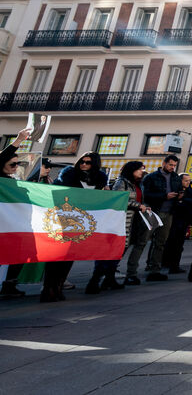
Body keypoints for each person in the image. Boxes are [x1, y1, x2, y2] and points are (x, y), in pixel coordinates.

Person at [47, 152, 108, 302]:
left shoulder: (100, 178)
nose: (84, 165)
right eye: (82, 161)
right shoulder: (69, 173)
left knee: (69, 255)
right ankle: (49, 289)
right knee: (56, 256)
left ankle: (59, 286)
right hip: (61, 218)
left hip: (81, 221)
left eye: (88, 163)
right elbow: (59, 191)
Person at [86, 161, 148, 294]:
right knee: (108, 253)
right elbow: (118, 199)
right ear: (131, 170)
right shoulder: (122, 182)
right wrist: (138, 206)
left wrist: (142, 206)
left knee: (118, 253)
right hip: (119, 223)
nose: (141, 172)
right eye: (139, 169)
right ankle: (94, 282)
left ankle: (109, 279)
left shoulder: (137, 184)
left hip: (130, 223)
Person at [0, 127, 32, 298]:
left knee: (15, 256)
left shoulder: (15, 181)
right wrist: (18, 141)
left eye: (17, 164)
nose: (15, 167)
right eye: (12, 164)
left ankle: (9, 285)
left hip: (14, 224)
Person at [140, 154, 183, 281]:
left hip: (169, 213)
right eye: (170, 165)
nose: (172, 167)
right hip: (154, 212)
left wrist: (179, 196)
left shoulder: (175, 177)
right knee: (142, 241)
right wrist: (165, 196)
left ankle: (155, 269)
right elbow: (146, 195)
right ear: (163, 163)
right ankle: (132, 271)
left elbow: (179, 190)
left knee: (160, 243)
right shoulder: (151, 177)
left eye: (174, 165)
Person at [162, 173, 192, 274]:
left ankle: (175, 265)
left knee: (179, 245)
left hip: (184, 221)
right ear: (180, 180)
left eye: (189, 180)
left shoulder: (190, 190)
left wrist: (184, 199)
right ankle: (165, 263)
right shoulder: (174, 189)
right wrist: (178, 199)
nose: (188, 182)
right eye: (186, 180)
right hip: (173, 220)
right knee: (169, 243)